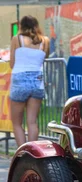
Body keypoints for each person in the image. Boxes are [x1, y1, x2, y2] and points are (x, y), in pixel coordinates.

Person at [9, 16, 49, 146]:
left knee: (17, 123)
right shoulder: (45, 41)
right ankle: (32, 153)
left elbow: (12, 63)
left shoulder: (17, 39)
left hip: (20, 81)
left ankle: (21, 154)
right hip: (37, 81)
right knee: (32, 122)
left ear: (21, 26)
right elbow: (44, 58)